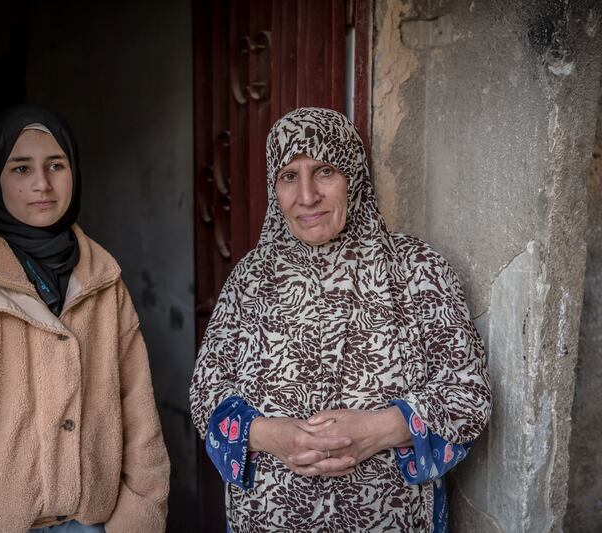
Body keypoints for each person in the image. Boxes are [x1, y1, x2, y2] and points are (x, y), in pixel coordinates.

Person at [189, 107, 492, 532]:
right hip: (267, 519)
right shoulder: (251, 278)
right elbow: (207, 395)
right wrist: (272, 436)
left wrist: (380, 429)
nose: (307, 196)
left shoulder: (416, 268)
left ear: (353, 177)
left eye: (324, 171)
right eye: (289, 176)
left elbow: (468, 394)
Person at [0, 105, 170, 533]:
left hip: (95, 522)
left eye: (56, 165)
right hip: (0, 525)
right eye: (21, 168)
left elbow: (137, 407)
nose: (42, 184)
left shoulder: (103, 277)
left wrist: (139, 515)